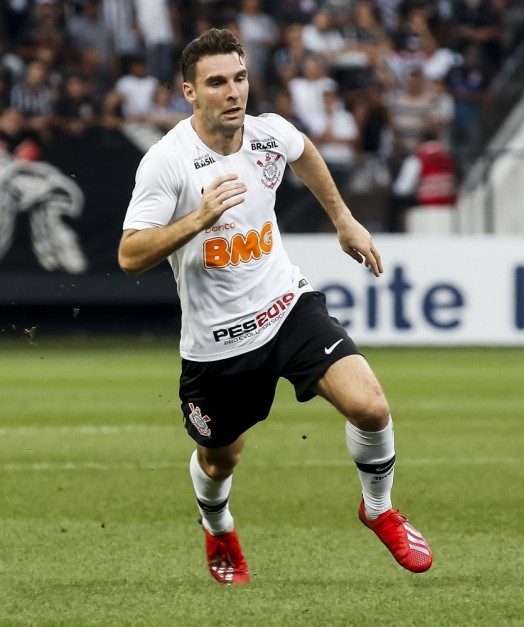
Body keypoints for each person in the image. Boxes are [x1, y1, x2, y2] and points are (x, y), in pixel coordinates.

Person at [117, 28, 433, 585]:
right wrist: (197, 220)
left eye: (239, 78)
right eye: (217, 82)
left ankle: (379, 507)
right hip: (216, 344)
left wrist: (343, 219)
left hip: (286, 306)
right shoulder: (166, 162)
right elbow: (129, 254)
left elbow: (304, 152)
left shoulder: (268, 135)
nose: (233, 91)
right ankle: (218, 526)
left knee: (371, 407)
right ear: (189, 92)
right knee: (221, 460)